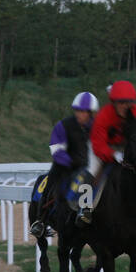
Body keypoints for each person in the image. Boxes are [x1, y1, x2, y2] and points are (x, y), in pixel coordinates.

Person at [67, 80, 136, 225]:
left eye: (129, 102)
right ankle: (85, 208)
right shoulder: (104, 116)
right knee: (93, 169)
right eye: (121, 102)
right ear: (113, 102)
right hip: (100, 146)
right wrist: (113, 154)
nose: (126, 106)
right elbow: (98, 145)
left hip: (125, 147)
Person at [29, 92, 97, 237]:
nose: (80, 114)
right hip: (64, 166)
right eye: (78, 110)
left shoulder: (98, 127)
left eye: (84, 111)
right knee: (50, 182)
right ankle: (40, 220)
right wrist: (70, 162)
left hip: (90, 167)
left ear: (91, 113)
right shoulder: (63, 125)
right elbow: (55, 148)